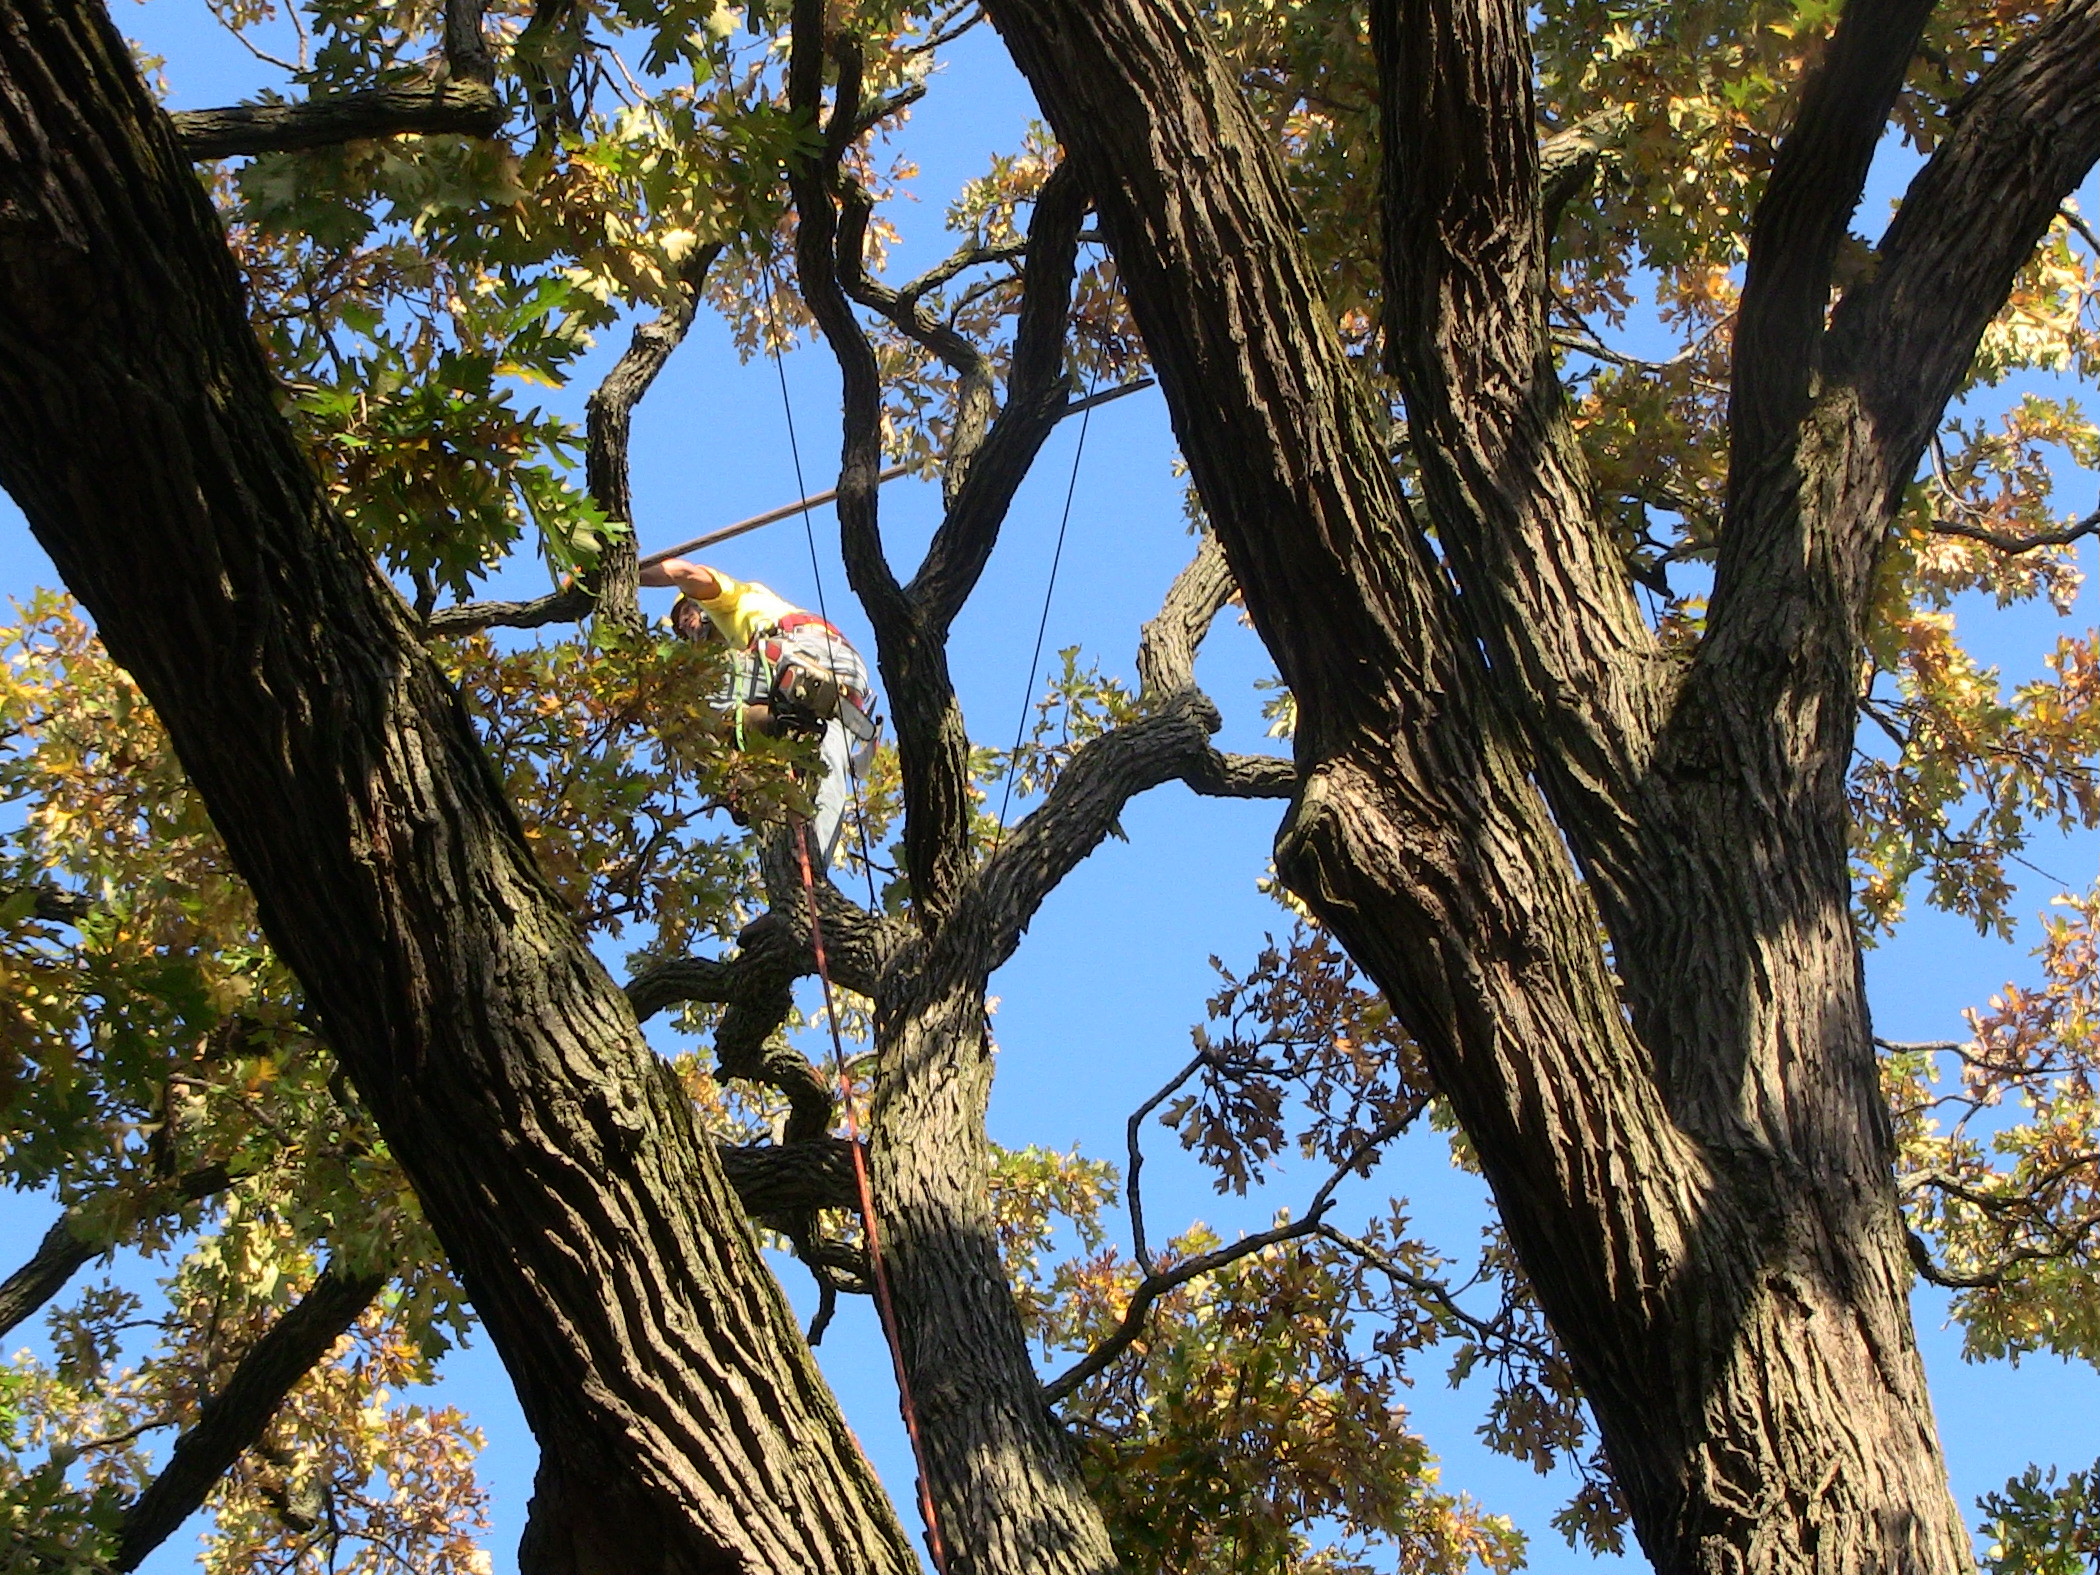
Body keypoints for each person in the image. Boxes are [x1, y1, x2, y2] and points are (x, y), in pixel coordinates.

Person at [640, 556, 879, 867]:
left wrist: (614, 573)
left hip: (799, 648)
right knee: (828, 770)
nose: (684, 623)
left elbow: (682, 571)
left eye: (687, 613)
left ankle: (774, 725)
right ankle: (814, 864)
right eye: (680, 625)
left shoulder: (731, 601)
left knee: (695, 704)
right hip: (845, 679)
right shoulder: (734, 647)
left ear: (701, 608)